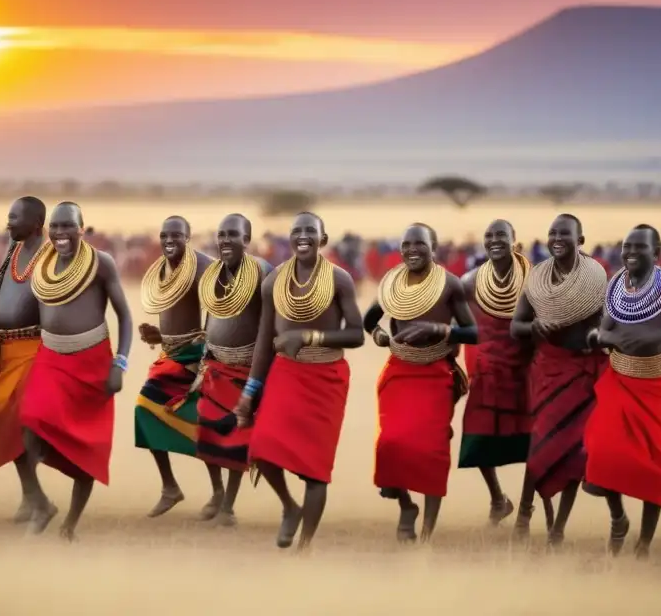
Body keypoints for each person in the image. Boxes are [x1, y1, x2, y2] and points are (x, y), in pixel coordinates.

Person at [234, 212, 364, 551]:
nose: (303, 236)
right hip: (286, 374)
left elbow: (355, 334)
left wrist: (309, 336)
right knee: (261, 449)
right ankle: (290, 508)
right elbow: (264, 339)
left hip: (327, 377)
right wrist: (250, 390)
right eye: (296, 231)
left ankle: (305, 546)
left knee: (315, 469)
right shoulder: (273, 282)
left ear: (323, 239)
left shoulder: (340, 280)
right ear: (289, 239)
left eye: (310, 231)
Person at [583, 225, 661, 559]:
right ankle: (618, 518)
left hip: (655, 384)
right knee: (601, 449)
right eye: (626, 246)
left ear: (657, 250)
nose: (631, 252)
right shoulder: (616, 284)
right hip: (618, 379)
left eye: (639, 246)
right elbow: (604, 331)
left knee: (655, 464)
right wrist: (599, 338)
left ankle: (644, 544)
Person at [19, 202, 133, 539]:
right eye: (54, 227)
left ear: (81, 228)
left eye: (67, 226)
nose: (60, 233)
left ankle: (69, 525)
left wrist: (120, 363)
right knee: (30, 421)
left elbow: (125, 316)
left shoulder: (102, 264)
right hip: (51, 358)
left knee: (89, 449)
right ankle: (40, 502)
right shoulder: (42, 266)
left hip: (93, 362)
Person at [363, 224, 478, 542]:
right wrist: (378, 334)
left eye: (420, 244)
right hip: (399, 371)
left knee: (432, 450)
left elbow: (474, 332)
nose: (412, 249)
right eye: (406, 244)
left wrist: (440, 330)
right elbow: (369, 319)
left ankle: (426, 531)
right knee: (390, 443)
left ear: (434, 248)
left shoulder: (450, 285)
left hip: (436, 372)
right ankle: (405, 507)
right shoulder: (392, 283)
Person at [511, 213, 608, 547]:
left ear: (580, 240)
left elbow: (609, 323)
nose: (557, 238)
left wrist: (598, 334)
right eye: (552, 232)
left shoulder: (596, 279)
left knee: (575, 453)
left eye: (565, 234)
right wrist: (534, 328)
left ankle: (558, 529)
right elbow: (516, 326)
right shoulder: (537, 280)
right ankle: (525, 510)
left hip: (584, 374)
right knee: (540, 443)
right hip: (550, 370)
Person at [458, 220, 553, 533]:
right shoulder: (470, 282)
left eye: (501, 235)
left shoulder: (537, 281)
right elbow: (464, 324)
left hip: (527, 368)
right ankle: (498, 498)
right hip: (489, 371)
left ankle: (526, 509)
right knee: (477, 434)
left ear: (515, 241)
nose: (494, 240)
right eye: (489, 235)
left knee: (534, 443)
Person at [134, 216, 217, 518]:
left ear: (189, 237)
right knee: (146, 410)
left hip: (196, 355)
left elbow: (220, 307)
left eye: (176, 235)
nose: (169, 240)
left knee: (203, 422)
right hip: (170, 354)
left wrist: (208, 354)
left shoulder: (203, 265)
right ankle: (170, 487)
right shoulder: (162, 268)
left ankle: (218, 493)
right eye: (164, 235)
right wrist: (157, 335)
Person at [195, 213, 273, 526]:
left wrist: (259, 377)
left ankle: (228, 505)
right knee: (206, 432)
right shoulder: (213, 274)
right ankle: (216, 492)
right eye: (221, 234)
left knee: (237, 439)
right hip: (215, 365)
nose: (225, 240)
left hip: (247, 367)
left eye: (233, 234)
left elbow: (269, 327)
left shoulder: (262, 272)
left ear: (247, 240)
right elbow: (211, 317)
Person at [0, 197, 48, 523]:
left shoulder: (50, 258)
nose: (8, 223)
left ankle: (37, 501)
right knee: (3, 426)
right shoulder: (13, 252)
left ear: (36, 222)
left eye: (15, 217)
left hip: (35, 352)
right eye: (8, 216)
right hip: (5, 354)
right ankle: (30, 496)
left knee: (25, 425)